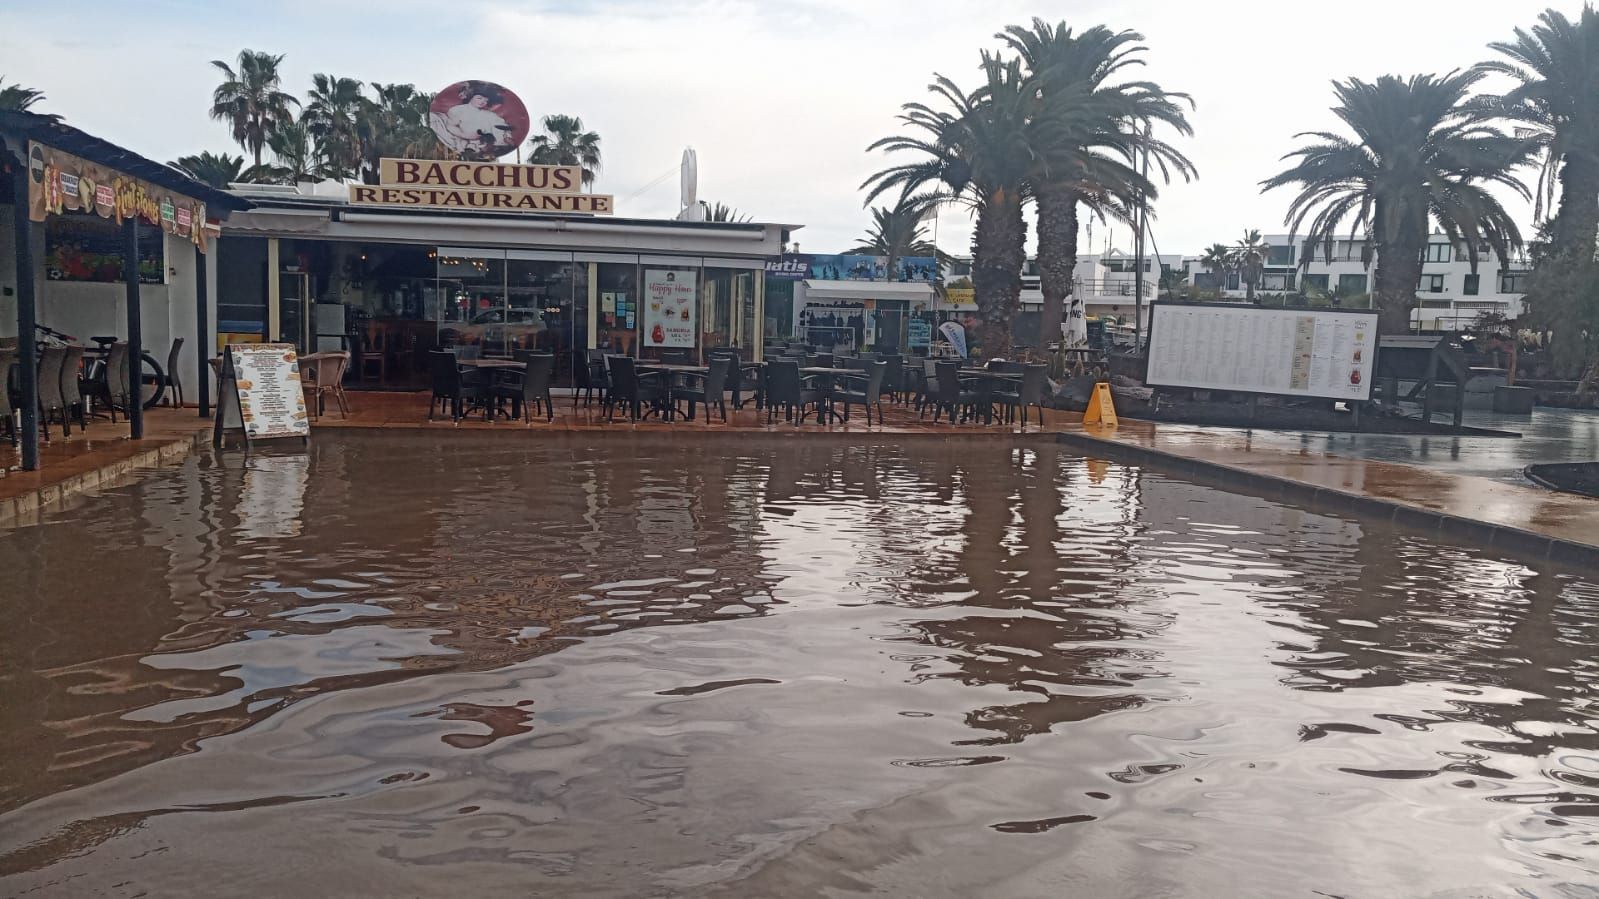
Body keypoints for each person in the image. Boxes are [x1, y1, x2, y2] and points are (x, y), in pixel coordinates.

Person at [432, 83, 514, 157]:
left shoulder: (490, 115)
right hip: (464, 140)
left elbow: (501, 126)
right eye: (479, 98)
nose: (482, 102)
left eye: (486, 101)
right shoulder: (457, 110)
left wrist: (506, 137)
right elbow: (450, 126)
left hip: (487, 143)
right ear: (471, 97)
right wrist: (465, 135)